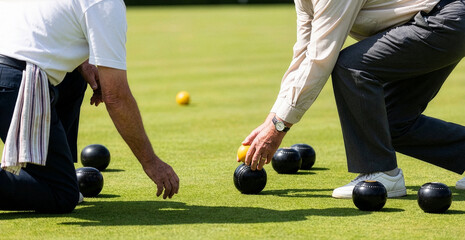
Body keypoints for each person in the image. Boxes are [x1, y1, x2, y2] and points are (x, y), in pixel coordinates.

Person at [241, 0, 465, 198]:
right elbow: (303, 54)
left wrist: (280, 127)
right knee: (388, 121)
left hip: (445, 19)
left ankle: (379, 173)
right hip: (444, 22)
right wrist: (272, 119)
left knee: (350, 67)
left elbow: (320, 59)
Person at [0, 0, 179, 213]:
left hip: (10, 73)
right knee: (62, 194)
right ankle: (54, 178)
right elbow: (116, 97)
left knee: (73, 79)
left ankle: (54, 166)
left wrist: (82, 64)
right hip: (13, 81)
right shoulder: (106, 4)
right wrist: (151, 161)